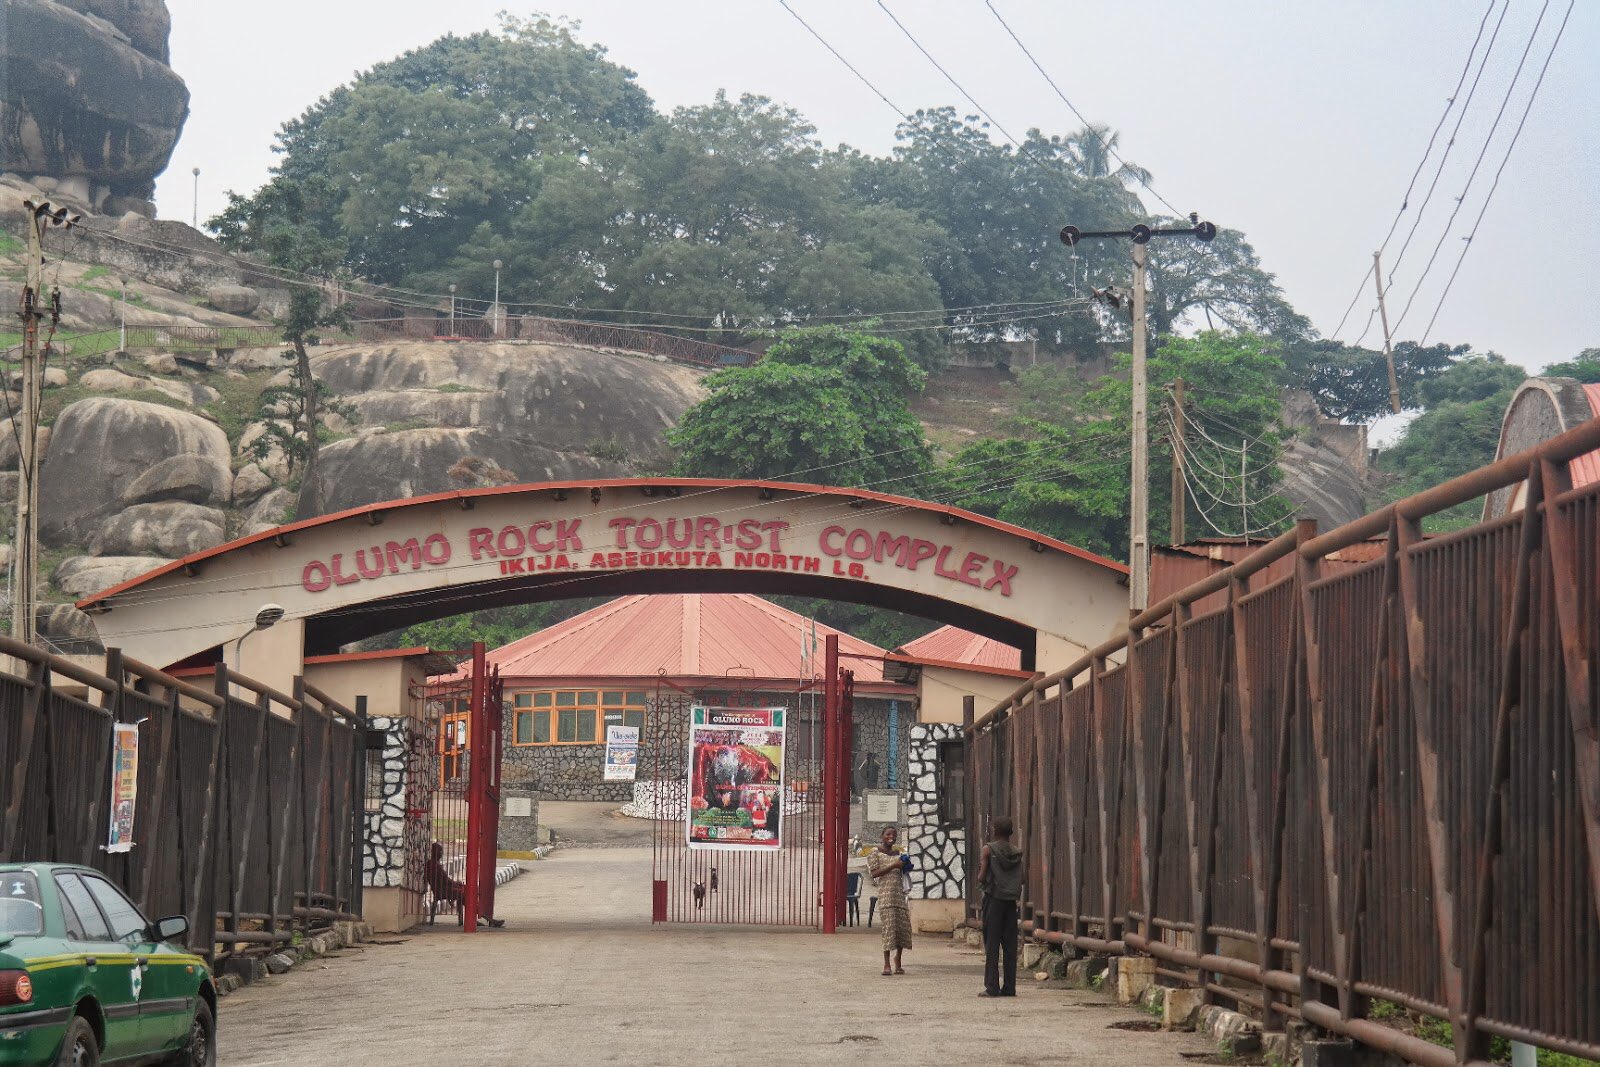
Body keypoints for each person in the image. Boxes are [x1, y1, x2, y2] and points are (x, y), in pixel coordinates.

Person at [976, 816, 1024, 997]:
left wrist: (984, 872)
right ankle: (1009, 987)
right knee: (1010, 946)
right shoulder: (1017, 852)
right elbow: (1023, 878)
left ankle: (992, 987)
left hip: (994, 900)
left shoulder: (988, 849)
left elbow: (981, 877)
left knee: (992, 944)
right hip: (1010, 903)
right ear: (1010, 832)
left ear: (995, 830)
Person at [868, 826, 912, 975]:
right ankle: (886, 964)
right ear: (882, 836)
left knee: (902, 928)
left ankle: (898, 960)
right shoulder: (875, 853)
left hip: (899, 895)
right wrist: (894, 865)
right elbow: (874, 874)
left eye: (893, 834)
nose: (891, 836)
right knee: (888, 929)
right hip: (886, 895)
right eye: (888, 834)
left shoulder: (899, 854)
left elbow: (903, 872)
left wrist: (905, 865)